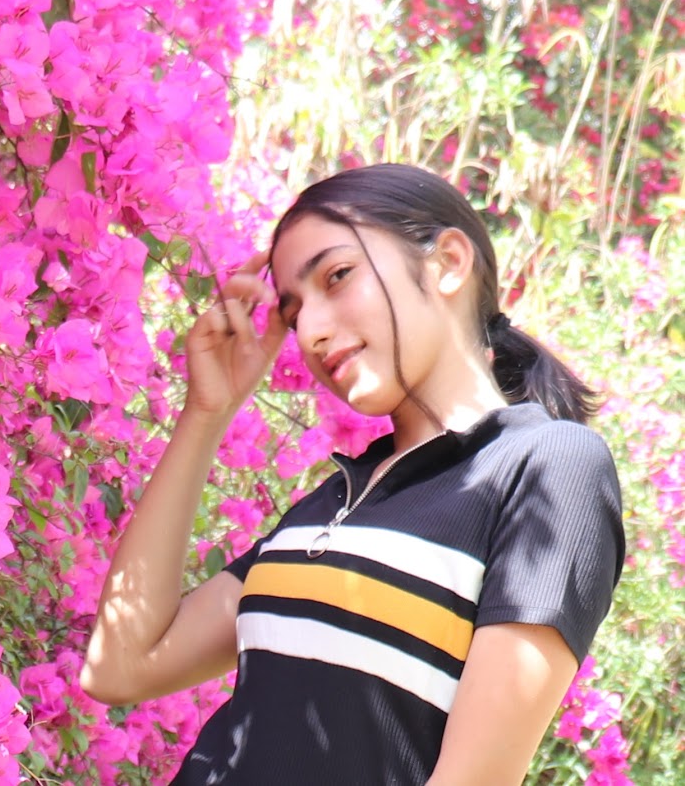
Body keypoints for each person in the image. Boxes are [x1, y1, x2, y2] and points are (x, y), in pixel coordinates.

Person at [80, 164, 625, 785]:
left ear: (448, 262)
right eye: (293, 312)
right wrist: (208, 412)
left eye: (337, 276)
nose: (311, 331)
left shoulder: (547, 465)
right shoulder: (335, 500)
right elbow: (119, 667)